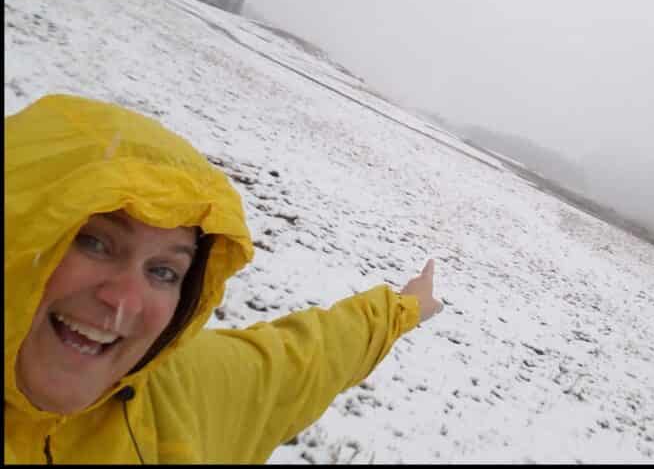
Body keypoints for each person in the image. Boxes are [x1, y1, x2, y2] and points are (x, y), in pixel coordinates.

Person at [4, 93, 443, 463]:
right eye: (94, 243)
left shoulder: (176, 398)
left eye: (163, 272)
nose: (125, 301)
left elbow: (307, 358)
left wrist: (405, 309)